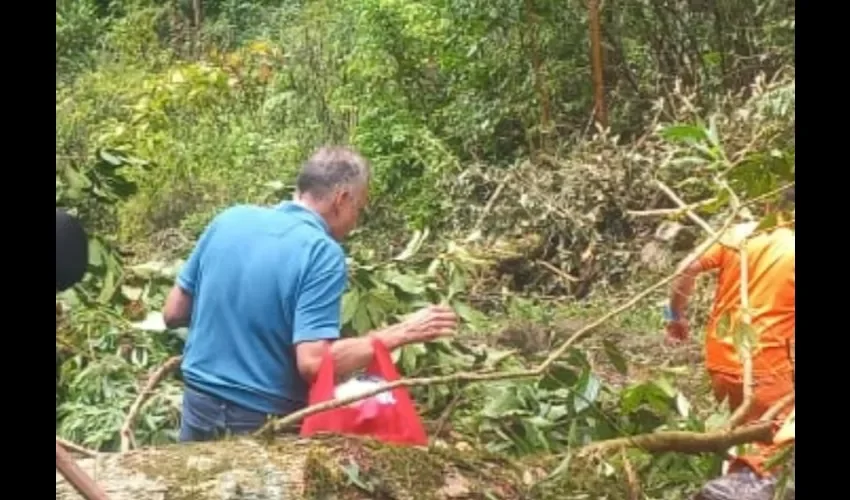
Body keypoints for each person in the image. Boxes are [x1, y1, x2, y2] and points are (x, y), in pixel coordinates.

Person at [162, 146, 458, 442]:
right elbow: (314, 363)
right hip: (261, 420)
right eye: (359, 208)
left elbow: (173, 313)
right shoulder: (321, 252)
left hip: (197, 402)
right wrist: (401, 333)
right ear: (342, 200)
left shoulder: (228, 219)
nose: (356, 220)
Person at [665, 188, 794, 481]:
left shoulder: (738, 234)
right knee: (776, 447)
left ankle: (731, 477)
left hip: (721, 360)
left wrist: (675, 317)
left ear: (769, 204)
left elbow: (685, 268)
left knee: (742, 435)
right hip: (768, 367)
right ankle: (735, 487)